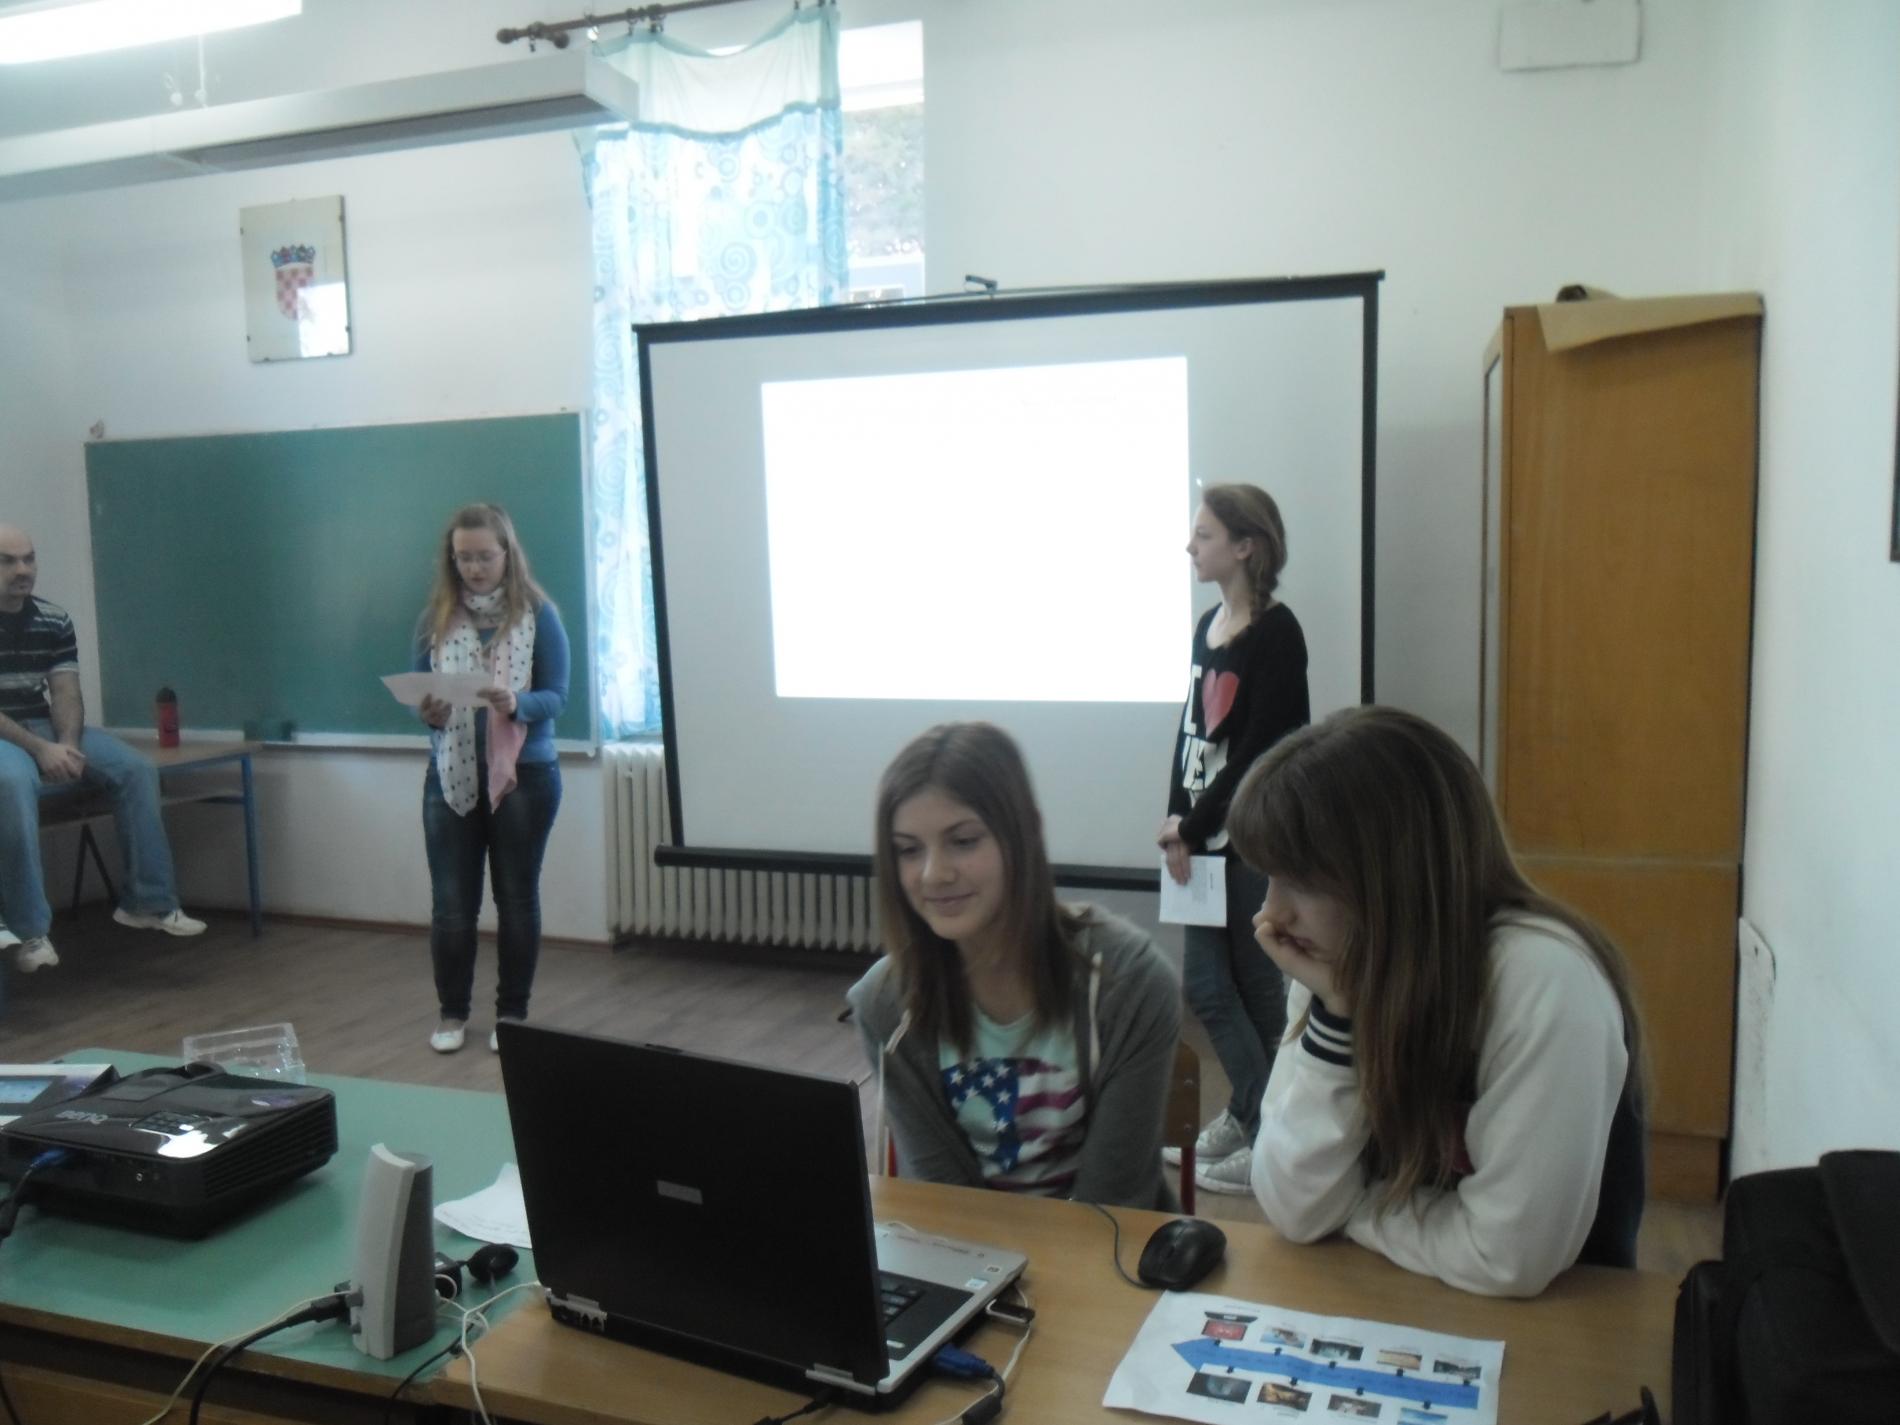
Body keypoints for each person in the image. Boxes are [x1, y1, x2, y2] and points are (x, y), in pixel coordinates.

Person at [1233, 705, 1647, 1297]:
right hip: (1393, 1295)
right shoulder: (1337, 965)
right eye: (1270, 879)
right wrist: (1337, 1018)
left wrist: (1353, 1209)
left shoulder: (1543, 980)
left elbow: (1507, 1257)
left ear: (1394, 874)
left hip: (1550, 1327)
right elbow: (1295, 1208)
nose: (1271, 914)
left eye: (1301, 882)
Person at [848, 722, 1180, 1210]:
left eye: (964, 841)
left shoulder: (1130, 982)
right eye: (908, 850)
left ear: (1026, 831)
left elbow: (1114, 1204)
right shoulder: (884, 1004)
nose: (933, 874)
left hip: (1109, 1248)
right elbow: (944, 1201)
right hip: (970, 1249)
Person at [1159, 485, 1309, 1195]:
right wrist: (1176, 822)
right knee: (1207, 984)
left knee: (1252, 989)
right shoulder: (1206, 624)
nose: (1191, 546)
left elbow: (1259, 751)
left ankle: (1270, 1133)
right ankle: (1257, 1118)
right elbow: (1194, 732)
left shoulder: (1278, 633)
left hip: (1251, 837)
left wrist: (1194, 826)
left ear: (1246, 546)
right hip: (1200, 835)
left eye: (1205, 535)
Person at [0, 523, 206, 979]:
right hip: (8, 739)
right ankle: (29, 931)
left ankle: (148, 902)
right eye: (8, 561)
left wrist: (68, 747)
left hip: (43, 726)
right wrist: (41, 750)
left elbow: (66, 691)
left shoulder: (53, 619)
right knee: (12, 783)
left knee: (135, 768)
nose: (22, 570)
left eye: (29, 559)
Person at [415, 504, 568, 1054]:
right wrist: (429, 712)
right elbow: (420, 693)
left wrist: (517, 703)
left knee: (516, 898)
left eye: (484, 556)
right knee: (452, 904)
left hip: (524, 776)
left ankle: (512, 1015)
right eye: (464, 558)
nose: (475, 568)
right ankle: (452, 1014)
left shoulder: (538, 614)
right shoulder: (435, 618)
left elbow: (557, 696)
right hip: (450, 772)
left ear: (507, 554)